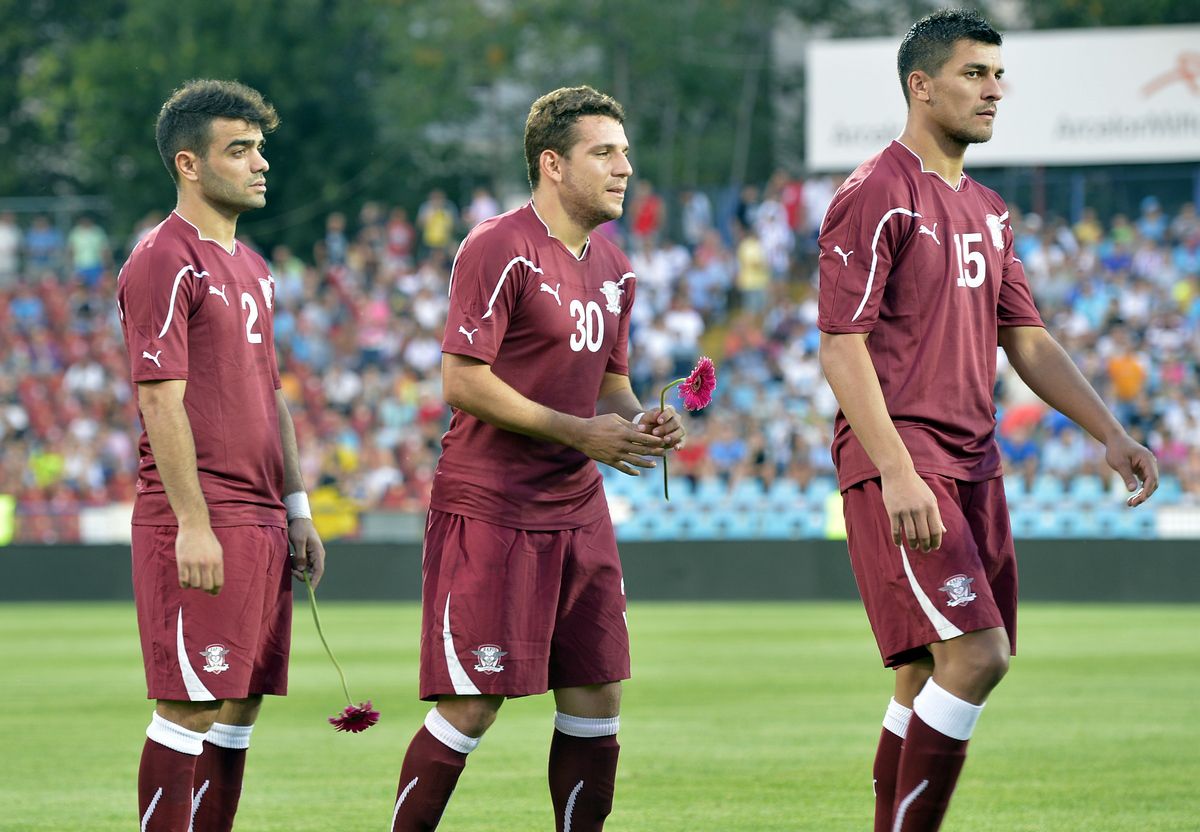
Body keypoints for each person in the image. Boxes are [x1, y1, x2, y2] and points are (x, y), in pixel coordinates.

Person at [816, 11, 1158, 832]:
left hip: (975, 461)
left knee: (921, 676)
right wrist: (896, 467)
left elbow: (1028, 341)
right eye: (975, 73)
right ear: (920, 85)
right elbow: (840, 347)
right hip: (907, 456)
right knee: (977, 655)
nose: (994, 90)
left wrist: (1110, 432)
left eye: (999, 75)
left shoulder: (990, 210)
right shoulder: (873, 194)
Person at [388, 85, 685, 832]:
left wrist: (641, 421)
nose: (625, 168)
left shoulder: (615, 265)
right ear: (553, 164)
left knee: (597, 695)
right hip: (491, 505)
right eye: (604, 153)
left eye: (625, 152)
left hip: (577, 508)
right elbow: (462, 380)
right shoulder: (497, 245)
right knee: (472, 703)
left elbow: (610, 384)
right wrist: (580, 433)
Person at [117, 79, 324, 832]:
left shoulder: (257, 267)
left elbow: (271, 396)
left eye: (260, 148)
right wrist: (192, 524)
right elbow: (159, 399)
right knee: (187, 706)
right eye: (239, 150)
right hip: (202, 516)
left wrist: (296, 507)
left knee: (238, 708)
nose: (259, 163)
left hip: (264, 516)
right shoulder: (162, 258)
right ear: (189, 164)